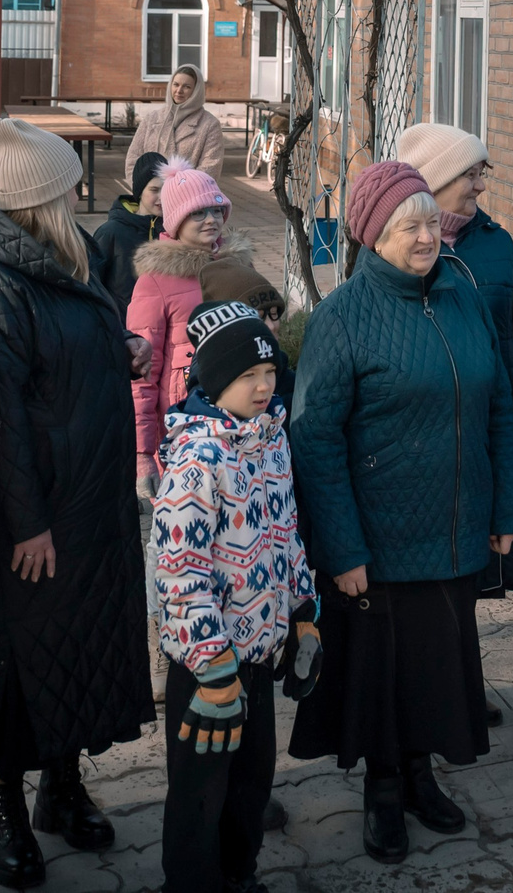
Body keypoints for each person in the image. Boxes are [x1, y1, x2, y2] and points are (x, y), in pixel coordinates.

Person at [286, 160, 513, 865]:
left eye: (430, 221)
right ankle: (383, 788)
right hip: (379, 540)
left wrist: (506, 505)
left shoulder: (461, 296)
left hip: (454, 527)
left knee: (436, 664)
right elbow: (315, 439)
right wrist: (343, 549)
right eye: (408, 226)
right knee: (382, 671)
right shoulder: (342, 317)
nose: (427, 237)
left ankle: (420, 773)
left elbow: (499, 405)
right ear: (372, 235)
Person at [0, 120, 154, 886]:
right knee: (11, 669)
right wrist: (28, 523)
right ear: (39, 198)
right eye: (67, 186)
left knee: (77, 650)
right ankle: (2, 810)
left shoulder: (65, 253)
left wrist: (122, 350)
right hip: (23, 527)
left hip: (86, 503)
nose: (79, 194)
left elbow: (67, 353)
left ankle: (62, 788)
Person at [155, 299, 319, 893]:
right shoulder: (197, 461)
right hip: (208, 674)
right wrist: (212, 669)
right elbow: (180, 576)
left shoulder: (270, 439)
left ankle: (239, 875)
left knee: (251, 783)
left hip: (259, 656)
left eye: (270, 372)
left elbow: (287, 532)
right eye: (248, 375)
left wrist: (303, 613)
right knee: (200, 793)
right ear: (215, 380)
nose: (263, 385)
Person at [394, 120, 513, 596]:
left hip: (497, 427)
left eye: (482, 174)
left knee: (491, 556)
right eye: (470, 175)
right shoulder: (399, 250)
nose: (481, 186)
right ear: (436, 180)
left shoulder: (497, 242)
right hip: (428, 434)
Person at [128, 165, 260, 494]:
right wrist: (143, 454)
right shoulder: (155, 281)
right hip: (184, 428)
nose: (211, 219)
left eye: (216, 209)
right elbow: (141, 373)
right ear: (176, 220)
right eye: (198, 212)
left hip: (242, 421)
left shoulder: (239, 267)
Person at [93, 152, 167, 320]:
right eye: (154, 190)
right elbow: (92, 283)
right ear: (139, 192)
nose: (162, 197)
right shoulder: (111, 232)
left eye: (166, 189)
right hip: (121, 326)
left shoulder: (175, 230)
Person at [127, 65, 229, 177]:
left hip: (188, 188)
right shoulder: (151, 119)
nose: (179, 91)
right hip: (150, 188)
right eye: (176, 84)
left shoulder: (210, 124)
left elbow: (211, 166)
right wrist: (140, 185)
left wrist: (180, 186)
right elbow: (133, 157)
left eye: (187, 87)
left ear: (197, 90)